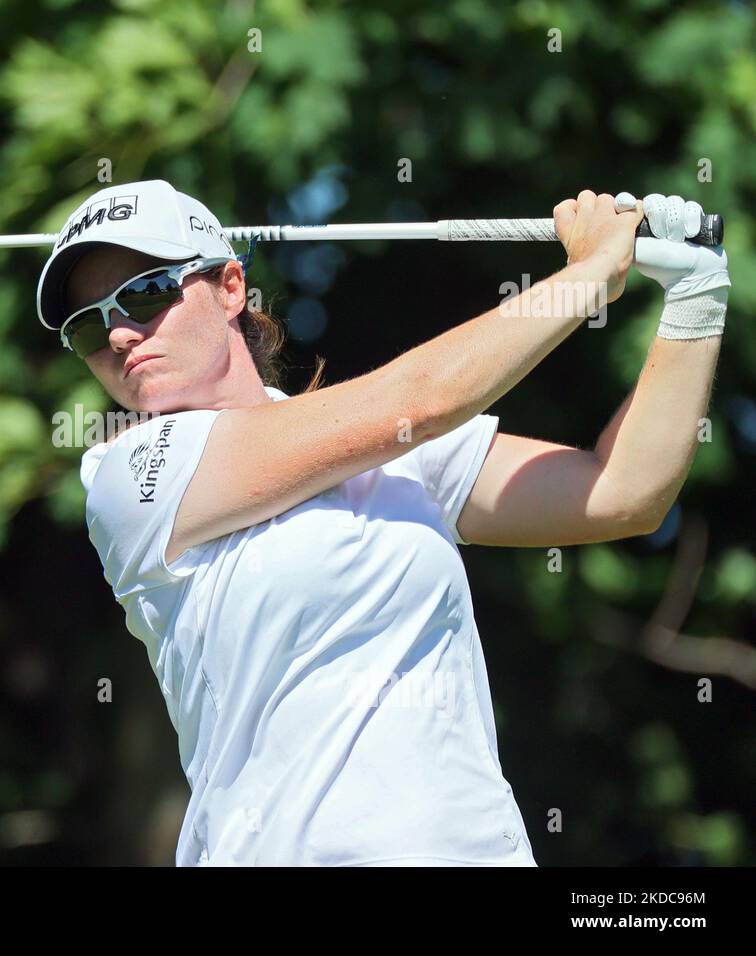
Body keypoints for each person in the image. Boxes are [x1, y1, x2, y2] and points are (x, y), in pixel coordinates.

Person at [35, 179, 730, 865]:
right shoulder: (128, 477)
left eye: (147, 294)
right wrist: (592, 272)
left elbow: (623, 493)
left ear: (229, 288)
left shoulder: (386, 452)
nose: (121, 334)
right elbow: (422, 400)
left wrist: (695, 299)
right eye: (88, 326)